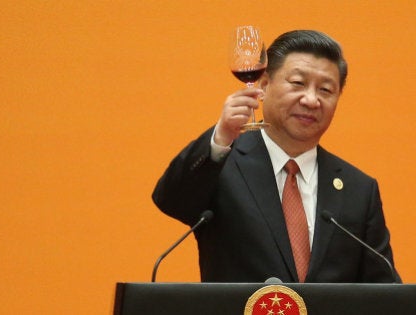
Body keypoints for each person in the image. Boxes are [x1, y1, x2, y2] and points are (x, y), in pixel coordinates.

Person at [152, 30, 401, 283]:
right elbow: (171, 200)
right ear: (264, 84)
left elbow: (384, 289)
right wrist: (221, 137)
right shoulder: (222, 163)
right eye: (298, 83)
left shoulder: (359, 190)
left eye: (325, 89)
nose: (311, 99)